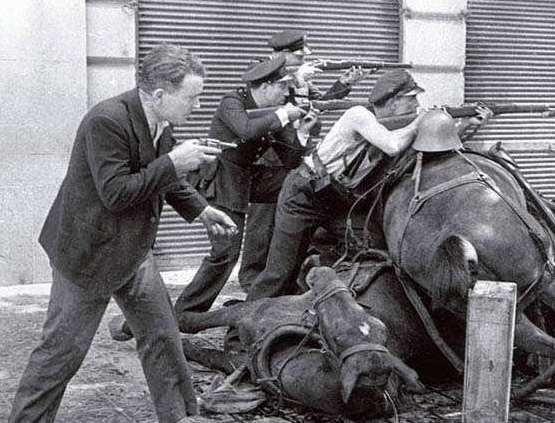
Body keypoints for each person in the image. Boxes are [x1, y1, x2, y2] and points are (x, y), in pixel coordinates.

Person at [4, 43, 235, 423]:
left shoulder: (158, 121)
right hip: (87, 252)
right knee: (63, 349)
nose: (197, 106)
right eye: (192, 97)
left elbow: (166, 178)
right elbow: (115, 192)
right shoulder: (106, 120)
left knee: (162, 334)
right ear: (160, 94)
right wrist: (175, 162)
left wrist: (202, 210)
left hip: (132, 251)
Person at [248, 69, 491, 300]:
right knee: (279, 272)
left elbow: (428, 152)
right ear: (395, 100)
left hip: (338, 201)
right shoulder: (359, 115)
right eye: (412, 100)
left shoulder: (397, 128)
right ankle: (238, 337)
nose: (417, 106)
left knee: (372, 249)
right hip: (304, 194)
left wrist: (465, 126)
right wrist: (419, 122)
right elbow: (393, 146)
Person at [168, 56, 318, 331]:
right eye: (282, 87)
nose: (287, 94)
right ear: (265, 86)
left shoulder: (274, 111)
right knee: (225, 253)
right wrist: (285, 114)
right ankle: (186, 311)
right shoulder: (232, 103)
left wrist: (303, 134)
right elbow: (245, 130)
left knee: (294, 180)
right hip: (223, 180)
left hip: (248, 178)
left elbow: (288, 159)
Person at [238, 29, 365, 289]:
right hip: (270, 157)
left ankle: (283, 280)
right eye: (298, 54)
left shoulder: (300, 77)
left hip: (297, 153)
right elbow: (257, 112)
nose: (305, 56)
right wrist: (296, 79)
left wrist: (343, 83)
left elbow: (318, 103)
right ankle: (252, 280)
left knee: (287, 224)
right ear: (280, 54)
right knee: (263, 225)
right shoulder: (261, 71)